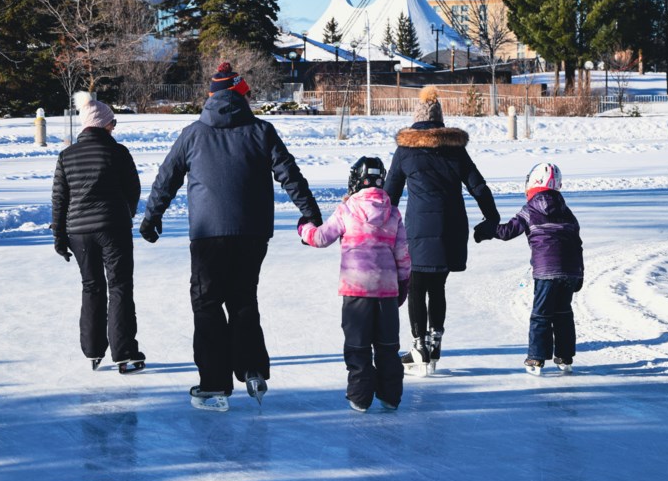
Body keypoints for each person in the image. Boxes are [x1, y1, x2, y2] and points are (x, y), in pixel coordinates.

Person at [140, 62, 323, 411]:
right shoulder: (261, 131)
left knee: (207, 303)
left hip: (208, 234)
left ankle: (214, 385)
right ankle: (252, 368)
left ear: (210, 97)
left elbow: (167, 177)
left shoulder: (193, 133)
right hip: (252, 232)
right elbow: (290, 174)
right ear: (240, 96)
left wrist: (152, 218)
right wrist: (310, 213)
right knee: (242, 299)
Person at [384, 86, 499, 375]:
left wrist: (379, 228)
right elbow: (478, 186)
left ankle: (418, 347)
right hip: (452, 229)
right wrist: (491, 217)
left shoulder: (405, 150)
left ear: (416, 118)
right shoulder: (455, 149)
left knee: (416, 287)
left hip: (420, 229)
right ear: (440, 119)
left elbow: (390, 194)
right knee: (438, 287)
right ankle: (434, 346)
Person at [298, 157, 411, 413]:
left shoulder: (347, 210)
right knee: (387, 347)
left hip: (356, 290)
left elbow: (320, 238)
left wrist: (304, 228)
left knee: (358, 345)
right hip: (386, 290)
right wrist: (403, 283)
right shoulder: (392, 212)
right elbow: (403, 254)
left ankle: (360, 397)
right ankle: (390, 396)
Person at [51, 91, 145, 374]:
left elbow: (59, 199)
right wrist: (124, 213)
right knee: (119, 286)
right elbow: (133, 190)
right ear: (103, 124)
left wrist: (59, 235)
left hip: (79, 232)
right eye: (112, 122)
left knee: (91, 286)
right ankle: (124, 351)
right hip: (113, 228)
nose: (114, 127)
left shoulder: (66, 156)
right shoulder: (118, 152)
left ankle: (92, 350)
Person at [474, 162, 584, 375]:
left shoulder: (530, 210)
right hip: (570, 270)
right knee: (563, 313)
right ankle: (565, 356)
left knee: (541, 315)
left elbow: (507, 232)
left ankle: (536, 358)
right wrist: (580, 273)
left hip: (546, 271)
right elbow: (577, 243)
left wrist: (488, 229)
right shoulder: (567, 212)